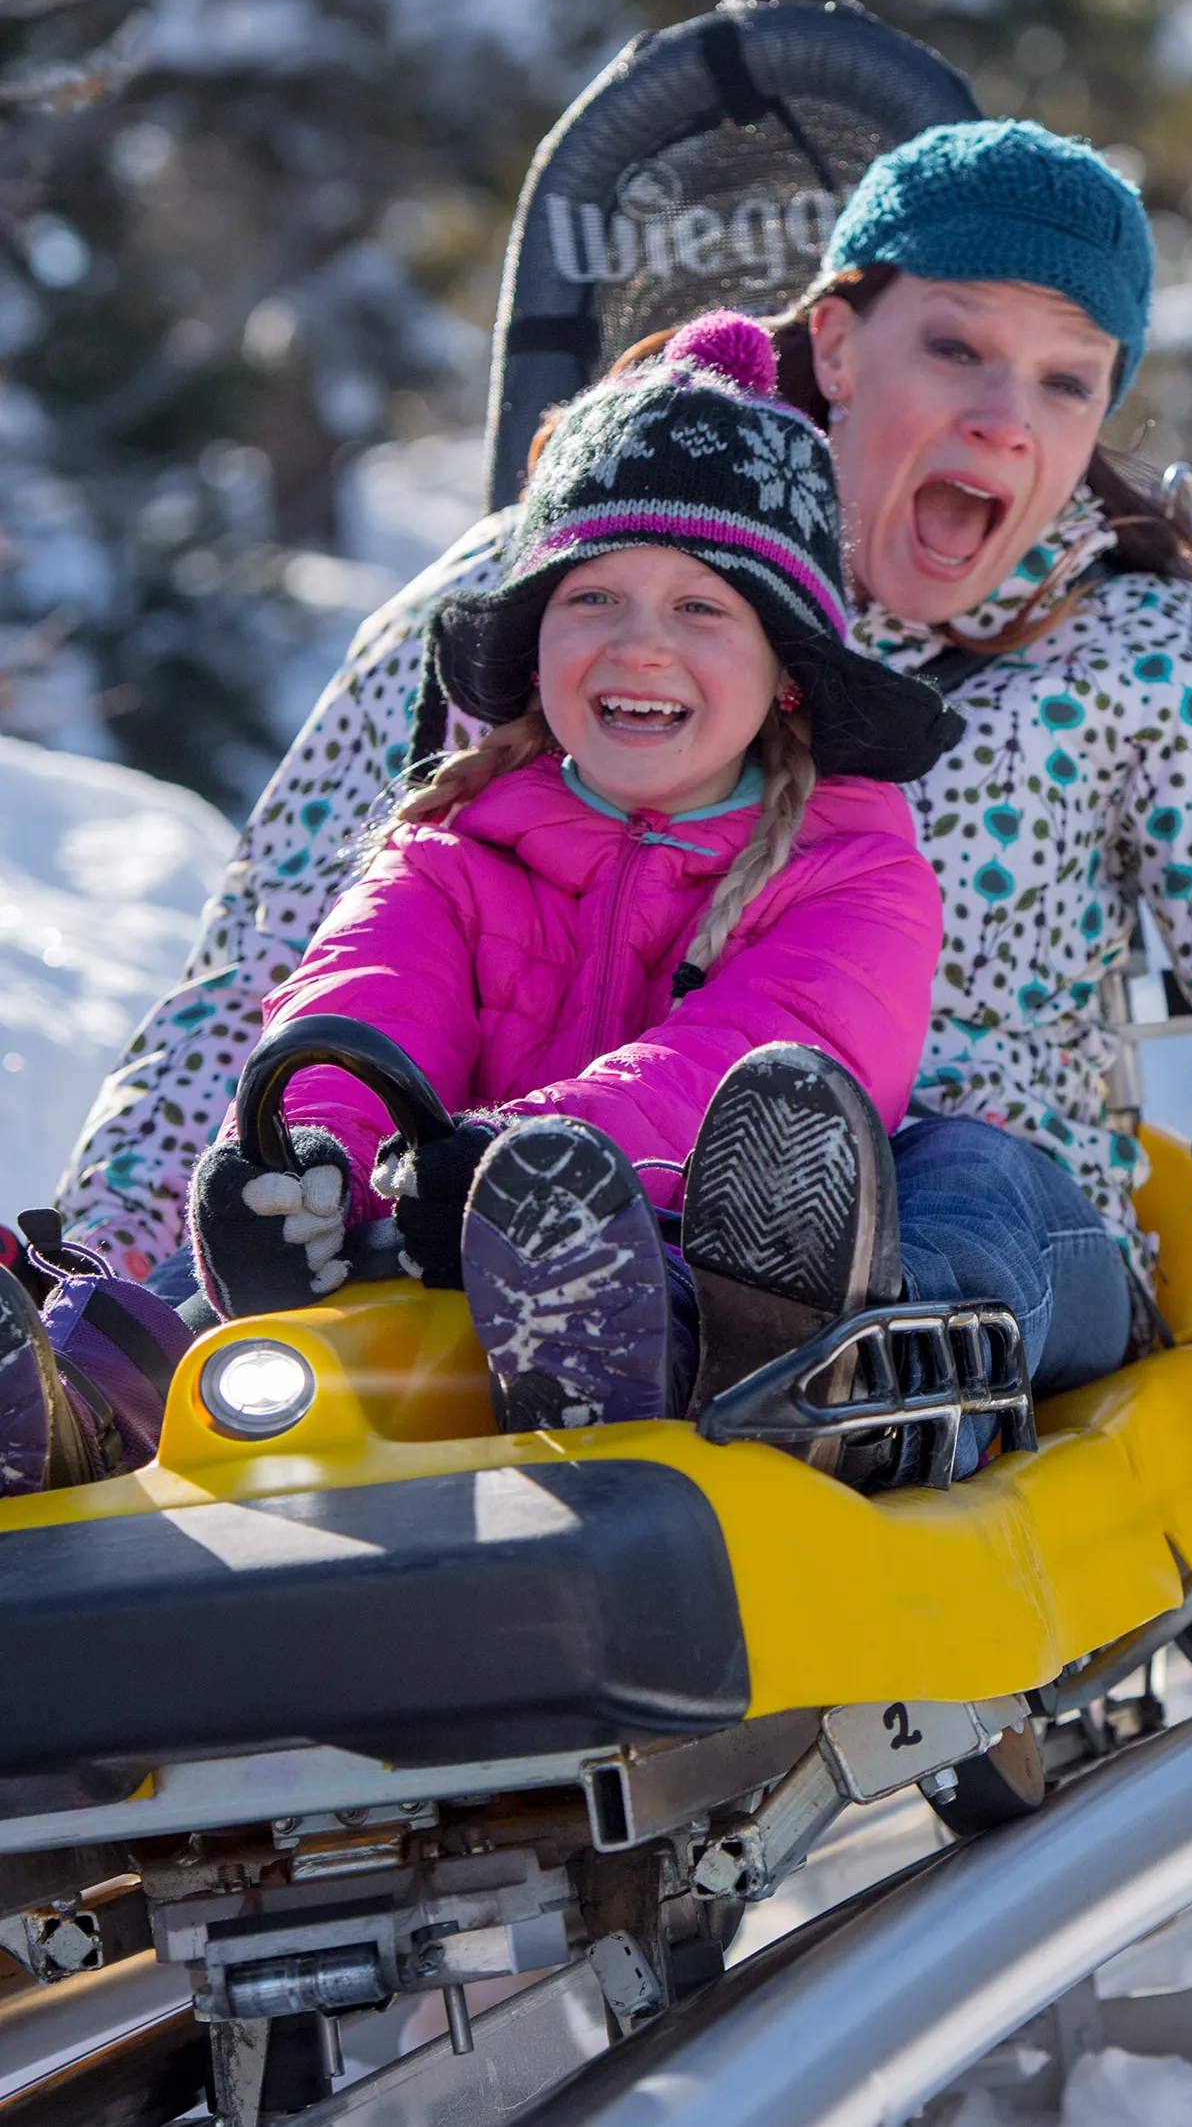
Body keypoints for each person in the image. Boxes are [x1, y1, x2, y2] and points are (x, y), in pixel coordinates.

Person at [55, 117, 1192, 1475]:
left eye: (1064, 380)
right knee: (291, 1200)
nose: (1002, 419)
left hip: (969, 1217)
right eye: (958, 346)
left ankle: (847, 1371)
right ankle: (81, 1386)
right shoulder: (553, 587)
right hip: (512, 1207)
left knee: (948, 1170)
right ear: (841, 341)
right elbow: (280, 960)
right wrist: (129, 1234)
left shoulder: (1135, 663)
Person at [8, 313, 954, 1480]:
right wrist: (306, 1158)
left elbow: (757, 1050)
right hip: (414, 1264)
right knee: (194, 1300)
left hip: (656, 1257)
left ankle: (608, 1371)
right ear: (533, 642)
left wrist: (525, 1156)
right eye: (590, 600)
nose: (639, 648)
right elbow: (363, 999)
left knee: (700, 1248)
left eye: (702, 609)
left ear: (790, 678)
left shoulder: (855, 873)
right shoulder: (449, 847)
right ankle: (73, 1419)